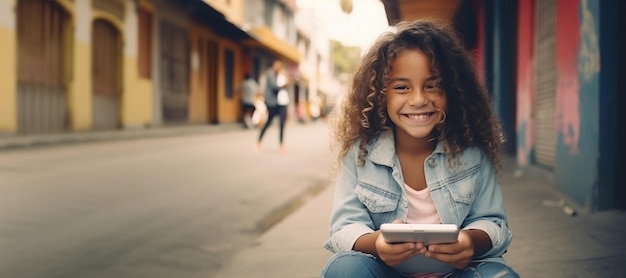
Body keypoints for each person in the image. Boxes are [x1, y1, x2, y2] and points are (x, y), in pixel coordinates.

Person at [319, 20, 520, 278]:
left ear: (453, 91)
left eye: (432, 85)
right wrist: (378, 245)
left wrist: (469, 243)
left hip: (458, 273)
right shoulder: (360, 155)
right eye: (402, 87)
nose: (418, 100)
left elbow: (493, 223)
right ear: (381, 94)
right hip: (386, 272)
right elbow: (345, 227)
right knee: (344, 269)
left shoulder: (471, 152)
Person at [256, 59, 288, 153]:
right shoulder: (270, 74)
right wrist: (284, 85)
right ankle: (258, 142)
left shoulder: (279, 75)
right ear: (274, 65)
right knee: (268, 122)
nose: (279, 68)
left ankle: (281, 145)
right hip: (272, 103)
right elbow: (274, 86)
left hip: (281, 102)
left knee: (282, 123)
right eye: (277, 65)